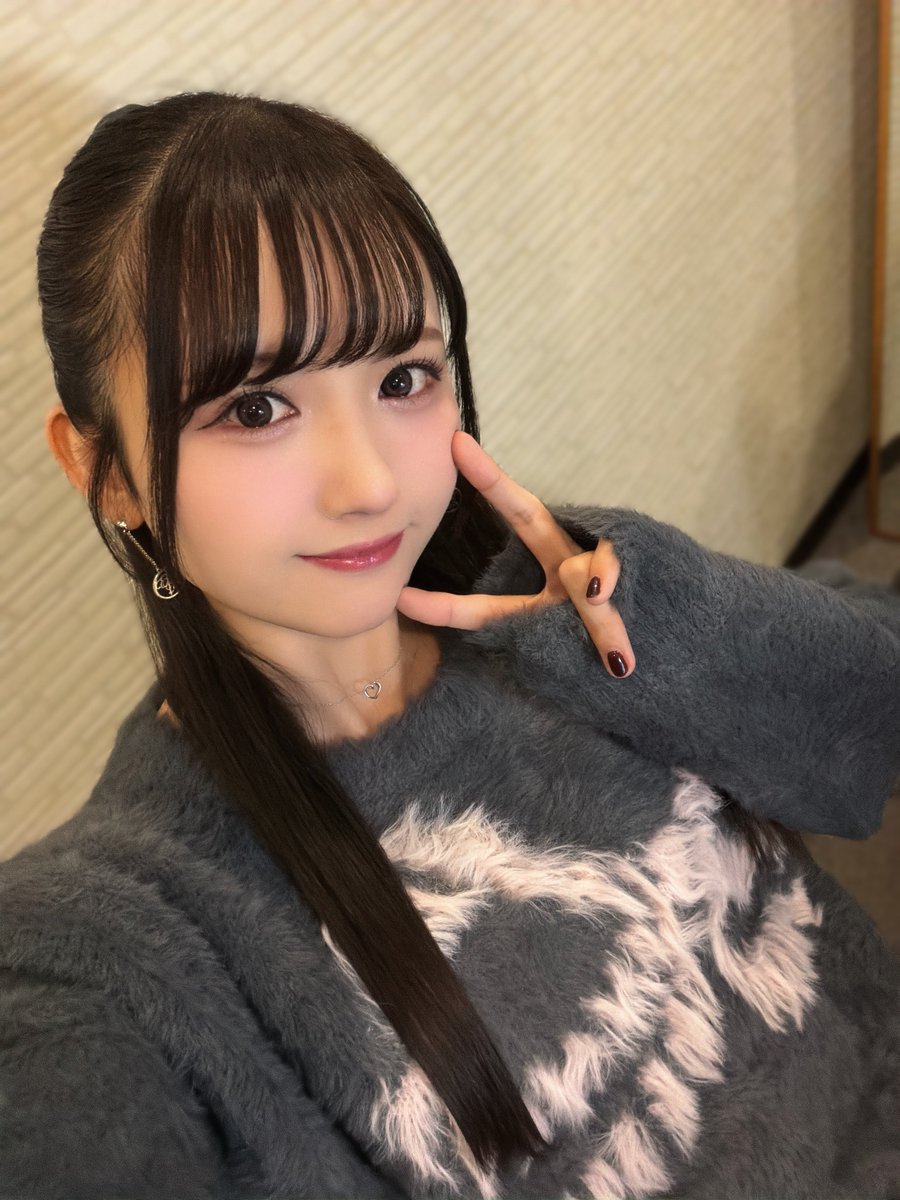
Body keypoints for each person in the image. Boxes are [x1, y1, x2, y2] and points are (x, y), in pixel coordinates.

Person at [1, 91, 899, 1200]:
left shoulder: (552, 605)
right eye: (255, 408)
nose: (371, 482)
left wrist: (662, 625)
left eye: (403, 379)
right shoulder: (112, 942)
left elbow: (878, 715)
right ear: (106, 473)